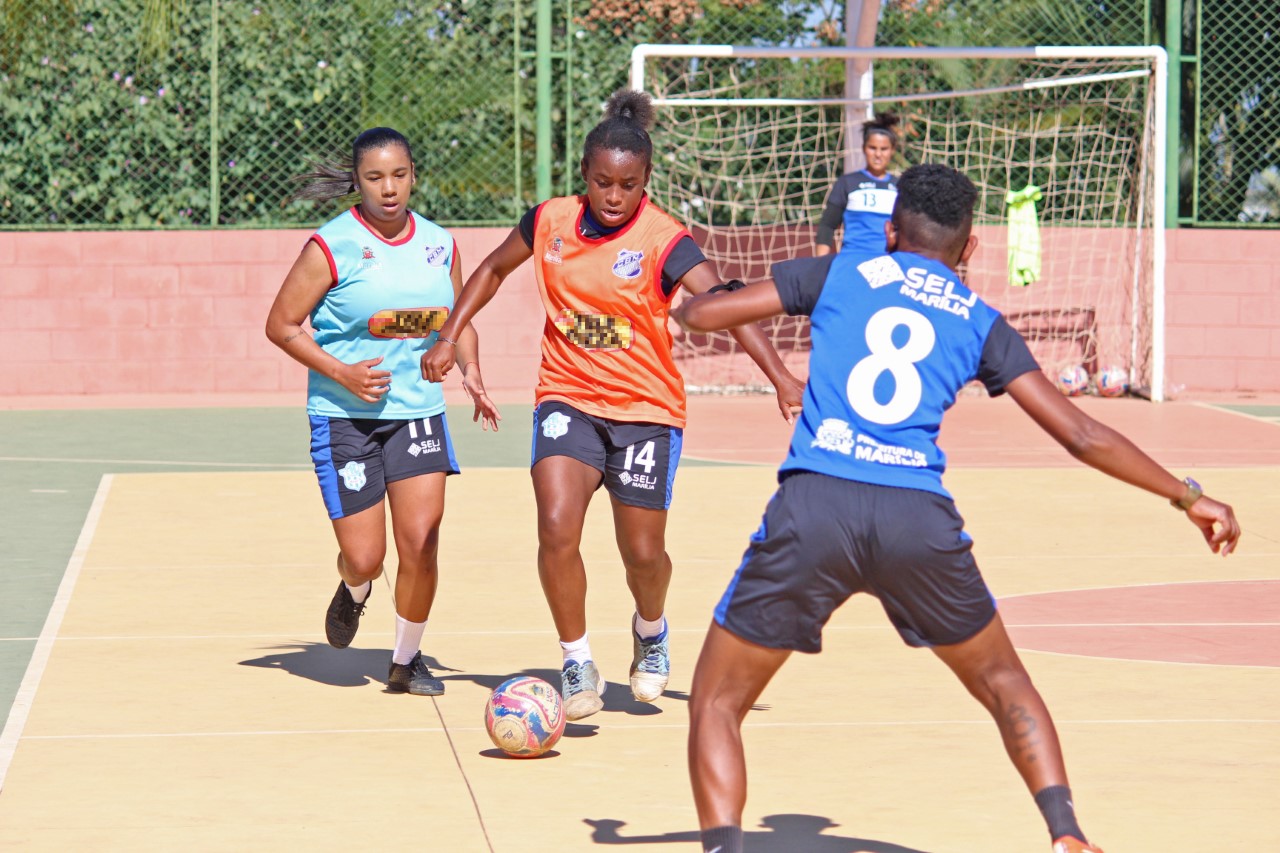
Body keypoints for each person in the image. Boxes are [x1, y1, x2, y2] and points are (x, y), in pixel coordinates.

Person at [673, 163, 1241, 853]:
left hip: (815, 503)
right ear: (969, 248)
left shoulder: (842, 274)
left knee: (717, 700)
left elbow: (701, 315)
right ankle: (1066, 833)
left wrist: (718, 294)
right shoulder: (979, 320)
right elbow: (1082, 434)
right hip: (917, 516)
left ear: (888, 230)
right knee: (1005, 681)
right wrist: (1187, 494)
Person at [421, 89, 805, 721]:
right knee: (554, 525)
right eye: (603, 182)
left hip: (646, 408)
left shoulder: (665, 239)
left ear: (645, 181)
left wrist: (782, 377)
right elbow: (489, 271)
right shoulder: (549, 222)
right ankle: (576, 658)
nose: (614, 196)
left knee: (644, 554)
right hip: (567, 397)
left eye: (628, 184)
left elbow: (728, 303)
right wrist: (446, 336)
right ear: (585, 177)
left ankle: (650, 632)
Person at [265, 127, 500, 696]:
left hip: (418, 412)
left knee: (421, 540)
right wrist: (340, 371)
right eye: (374, 178)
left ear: (414, 174)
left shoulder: (440, 243)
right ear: (358, 182)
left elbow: (455, 319)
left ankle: (406, 659)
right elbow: (280, 326)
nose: (388, 188)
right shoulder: (331, 246)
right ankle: (355, 589)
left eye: (398, 175)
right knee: (366, 556)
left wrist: (471, 372)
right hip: (345, 418)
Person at [814, 112, 902, 257]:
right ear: (863, 148)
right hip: (852, 260)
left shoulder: (899, 187)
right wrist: (819, 264)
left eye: (884, 149)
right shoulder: (848, 183)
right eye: (872, 148)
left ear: (892, 150)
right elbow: (827, 225)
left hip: (887, 263)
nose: (878, 155)